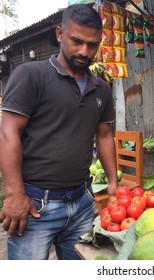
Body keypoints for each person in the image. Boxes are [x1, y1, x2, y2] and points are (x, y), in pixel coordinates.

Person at [0, 4, 118, 260]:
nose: (84, 51)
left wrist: (113, 182)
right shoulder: (31, 76)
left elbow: (105, 136)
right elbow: (8, 134)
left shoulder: (102, 89)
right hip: (34, 205)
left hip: (83, 202)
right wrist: (14, 195)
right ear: (59, 34)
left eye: (92, 44)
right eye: (77, 41)